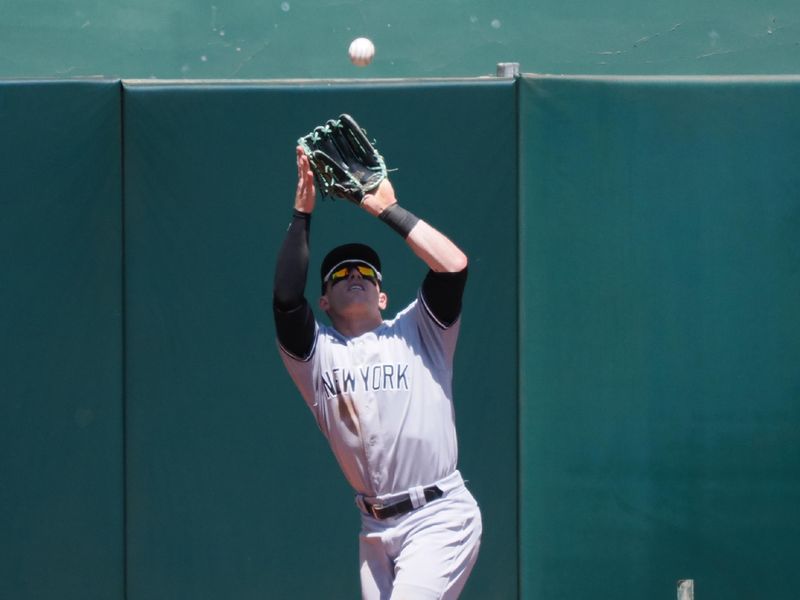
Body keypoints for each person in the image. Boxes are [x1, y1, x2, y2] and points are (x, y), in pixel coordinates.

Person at [273, 146, 482, 599]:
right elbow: (288, 300)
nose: (355, 275)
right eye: (340, 272)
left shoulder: (418, 330)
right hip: (374, 529)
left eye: (366, 271)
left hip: (438, 514)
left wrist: (387, 210)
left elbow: (453, 267)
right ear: (324, 302)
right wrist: (302, 214)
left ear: (383, 297)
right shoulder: (317, 354)